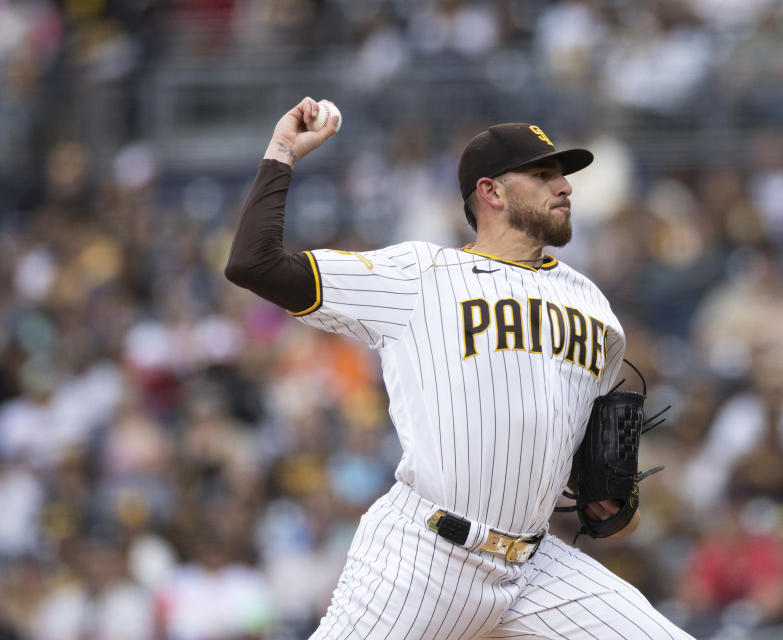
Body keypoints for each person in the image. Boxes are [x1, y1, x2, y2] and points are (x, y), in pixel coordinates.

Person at [225, 96, 693, 640]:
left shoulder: (594, 307)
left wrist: (607, 492)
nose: (563, 187)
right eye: (542, 175)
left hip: (536, 566)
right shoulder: (418, 275)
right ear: (490, 191)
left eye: (561, 176)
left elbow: (590, 468)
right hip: (426, 556)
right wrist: (283, 151)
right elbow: (252, 264)